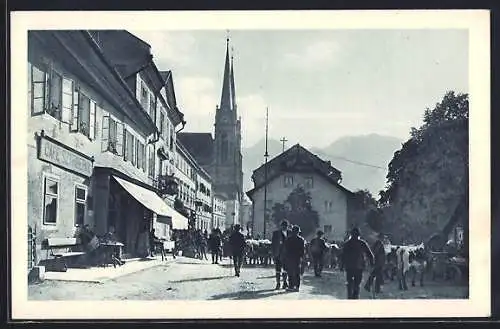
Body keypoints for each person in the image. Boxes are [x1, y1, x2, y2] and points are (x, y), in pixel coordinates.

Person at [340, 227, 375, 299]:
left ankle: (350, 296)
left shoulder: (347, 243)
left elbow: (343, 255)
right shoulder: (362, 243)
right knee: (357, 283)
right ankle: (355, 297)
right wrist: (372, 263)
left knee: (349, 282)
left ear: (351, 235)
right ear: (359, 235)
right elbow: (370, 254)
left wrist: (342, 265)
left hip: (349, 266)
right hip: (359, 266)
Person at [284, 225, 305, 292]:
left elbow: (286, 249)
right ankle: (297, 287)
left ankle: (291, 286)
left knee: (290, 272)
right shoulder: (301, 239)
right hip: (297, 258)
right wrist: (302, 257)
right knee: (297, 272)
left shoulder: (288, 239)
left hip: (290, 257)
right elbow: (303, 250)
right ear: (298, 232)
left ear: (292, 231)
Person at [271, 220, 292, 289]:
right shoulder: (276, 233)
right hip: (278, 254)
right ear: (281, 226)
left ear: (287, 226)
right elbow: (273, 245)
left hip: (287, 255)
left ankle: (285, 282)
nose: (284, 227)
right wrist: (273, 254)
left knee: (286, 269)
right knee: (278, 269)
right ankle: (278, 283)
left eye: (285, 226)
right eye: (283, 226)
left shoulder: (290, 233)